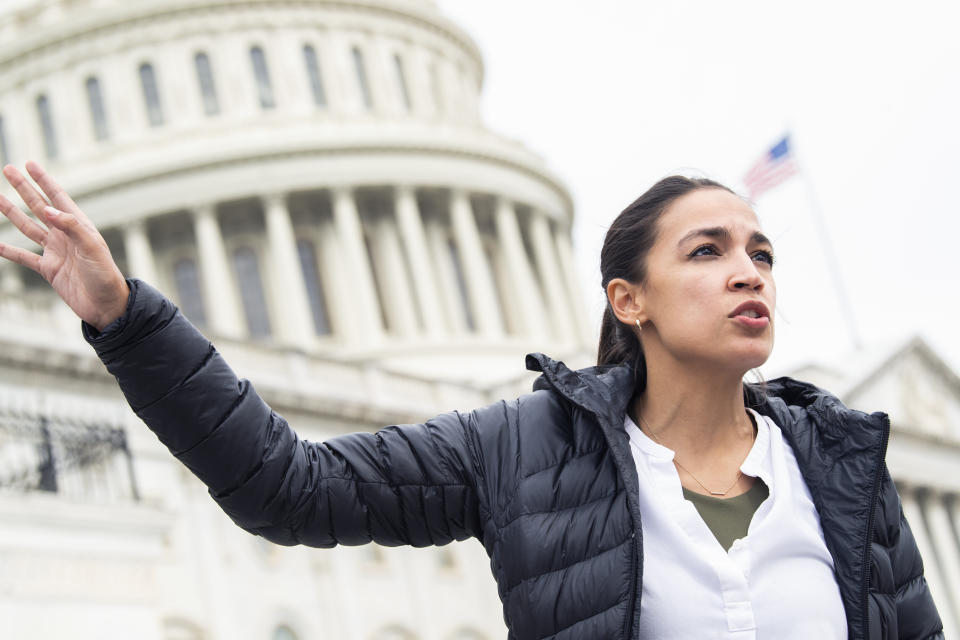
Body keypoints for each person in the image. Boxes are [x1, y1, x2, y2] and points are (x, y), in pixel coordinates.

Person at [0, 161, 944, 639]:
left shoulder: (841, 463)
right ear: (630, 300)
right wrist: (127, 319)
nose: (749, 273)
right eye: (708, 252)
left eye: (761, 254)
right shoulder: (521, 449)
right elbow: (291, 486)